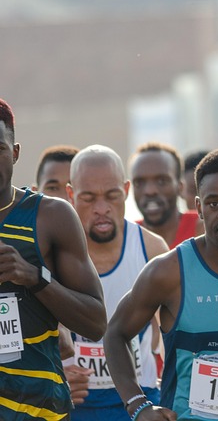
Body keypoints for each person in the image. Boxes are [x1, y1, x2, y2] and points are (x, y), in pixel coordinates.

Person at [104, 148, 218, 420]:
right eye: (214, 204)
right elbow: (115, 334)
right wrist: (138, 405)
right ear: (198, 207)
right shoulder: (169, 271)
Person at [0, 98, 107, 420]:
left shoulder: (50, 216)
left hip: (37, 408)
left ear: (15, 152)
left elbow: (95, 322)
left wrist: (34, 277)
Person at [67, 145, 169, 420]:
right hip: (73, 402)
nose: (101, 209)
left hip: (139, 400)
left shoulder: (151, 248)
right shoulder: (56, 250)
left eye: (112, 196)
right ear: (70, 195)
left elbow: (172, 335)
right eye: (88, 198)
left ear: (125, 191)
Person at [32, 144, 96, 405]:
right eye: (53, 188)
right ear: (35, 194)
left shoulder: (143, 246)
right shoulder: (20, 260)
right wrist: (53, 377)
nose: (62, 200)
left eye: (70, 188)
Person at [129, 142, 203, 249]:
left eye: (161, 181)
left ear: (180, 187)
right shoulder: (125, 238)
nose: (150, 191)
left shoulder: (204, 229)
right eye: (139, 182)